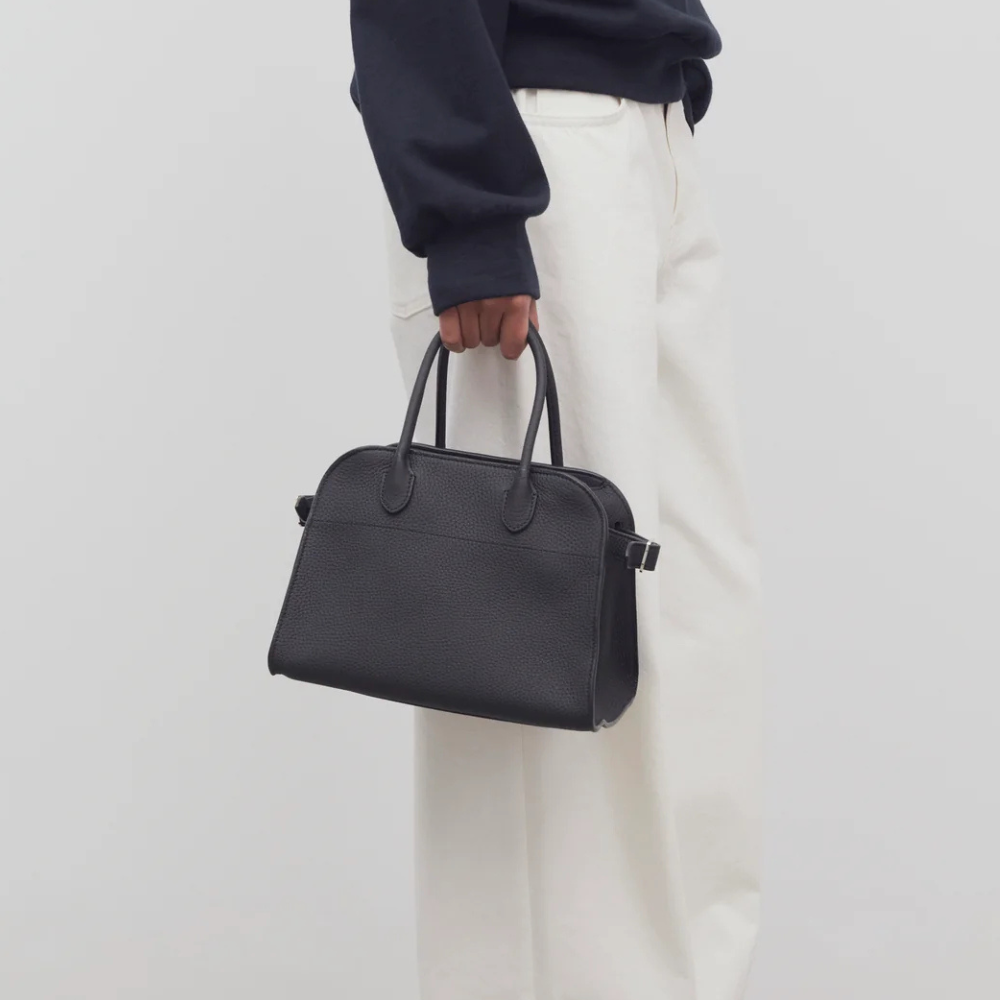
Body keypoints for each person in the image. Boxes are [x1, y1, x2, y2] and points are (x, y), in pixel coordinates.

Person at [349, 1, 764, 998]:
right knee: (543, 653)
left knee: (693, 624)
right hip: (536, 151)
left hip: (645, 130)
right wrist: (469, 203)